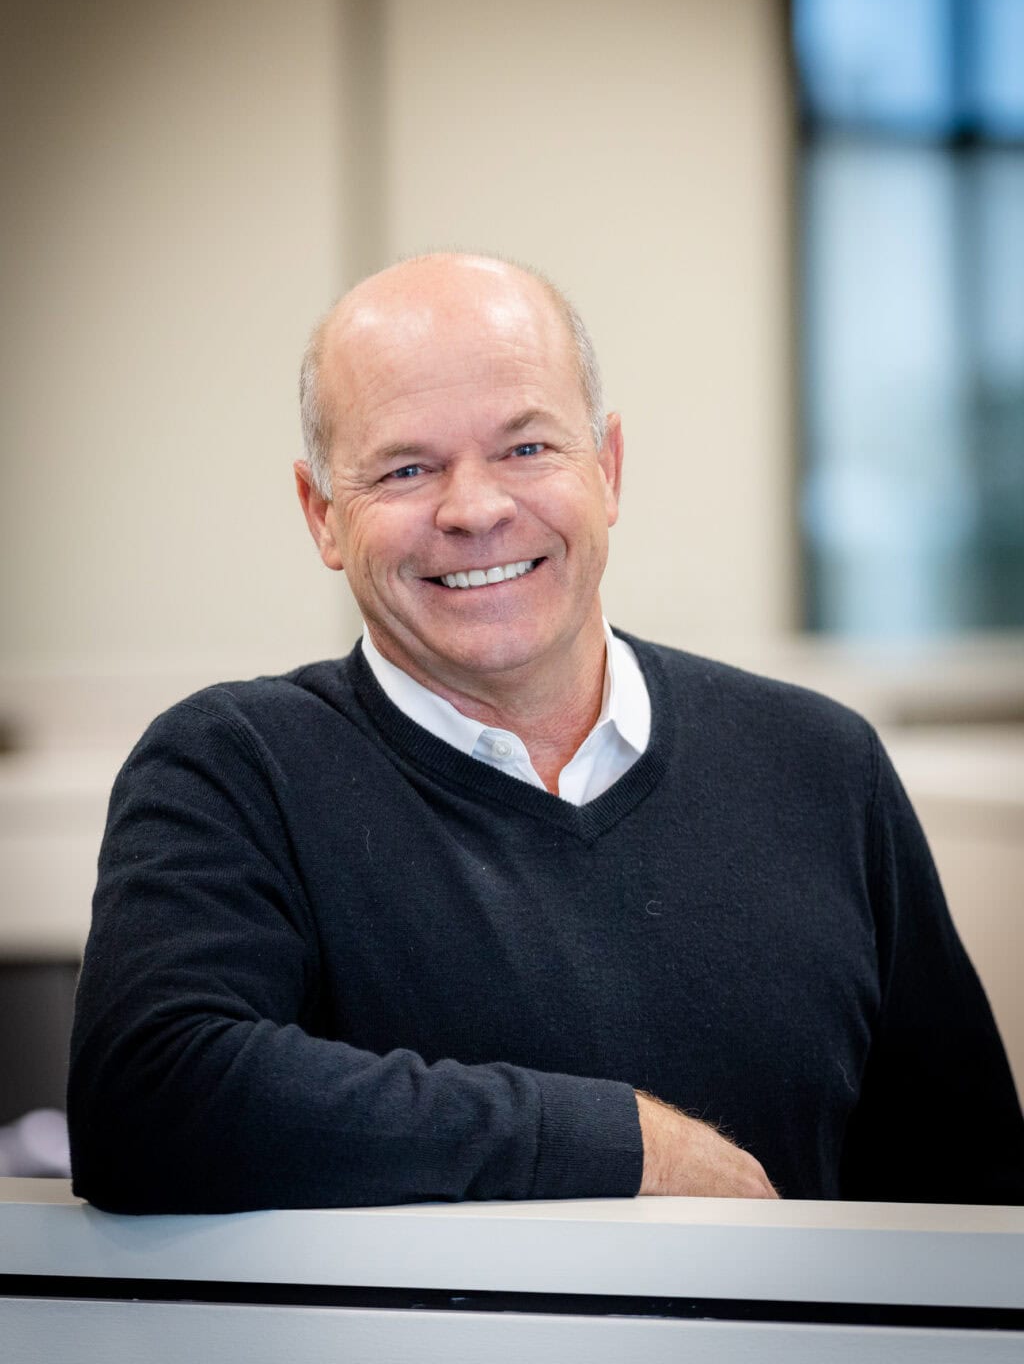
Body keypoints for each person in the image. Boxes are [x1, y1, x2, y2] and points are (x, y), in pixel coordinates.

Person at [67, 252, 1024, 1213]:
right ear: (322, 515)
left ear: (606, 470)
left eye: (527, 450)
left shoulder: (823, 765)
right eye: (407, 468)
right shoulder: (234, 769)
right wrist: (625, 1147)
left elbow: (974, 1196)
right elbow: (149, 1098)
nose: (476, 508)